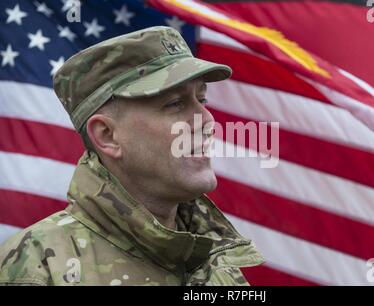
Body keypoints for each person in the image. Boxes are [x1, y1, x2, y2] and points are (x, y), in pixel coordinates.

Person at [0, 26, 263, 286]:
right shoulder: (37, 268)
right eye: (175, 104)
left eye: (201, 100)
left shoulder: (217, 267)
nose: (207, 120)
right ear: (107, 135)